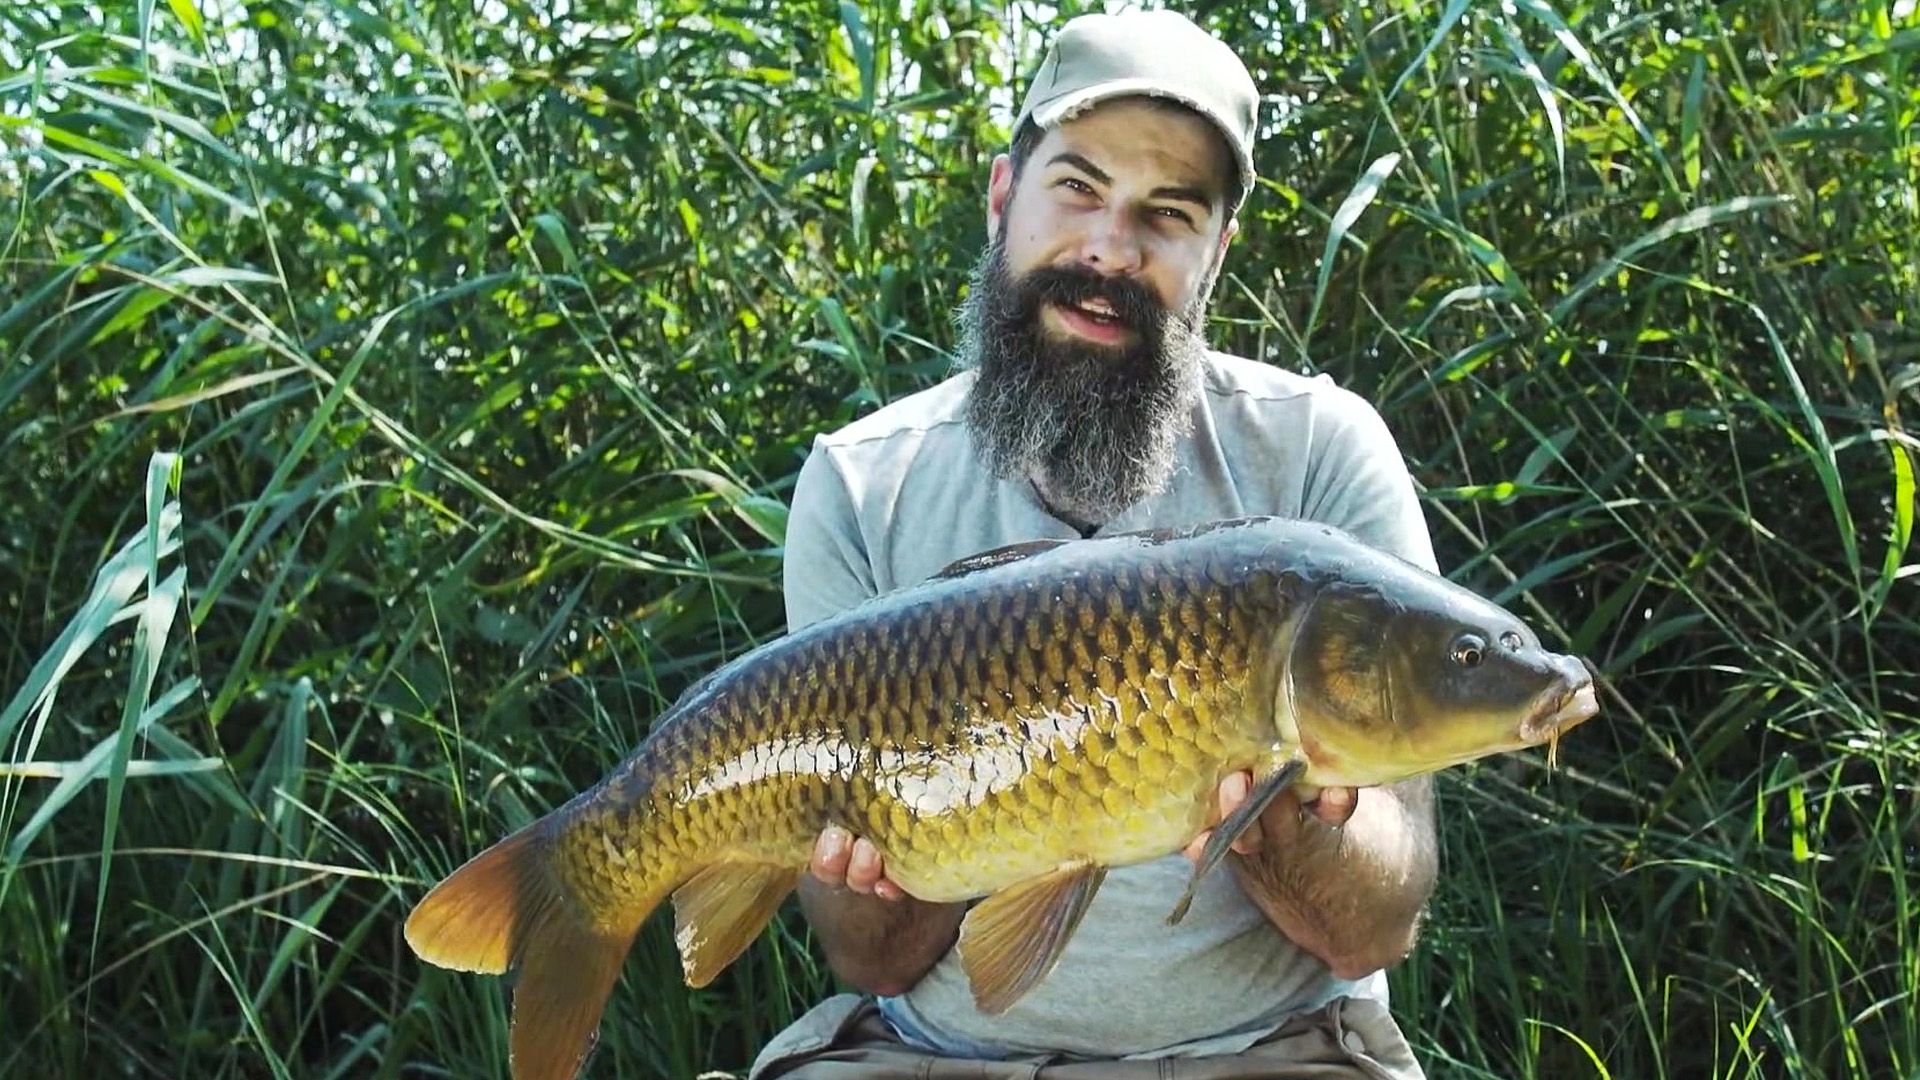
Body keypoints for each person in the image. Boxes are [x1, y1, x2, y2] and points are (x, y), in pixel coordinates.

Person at [750, 10, 1437, 1079]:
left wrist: (1277, 810)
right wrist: (869, 866)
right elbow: (870, 961)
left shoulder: (1320, 455)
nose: (1111, 250)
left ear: (1216, 252)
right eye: (1076, 189)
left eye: (1166, 213)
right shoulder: (861, 482)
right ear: (999, 198)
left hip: (1271, 1050)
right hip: (938, 1055)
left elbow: (1376, 929)